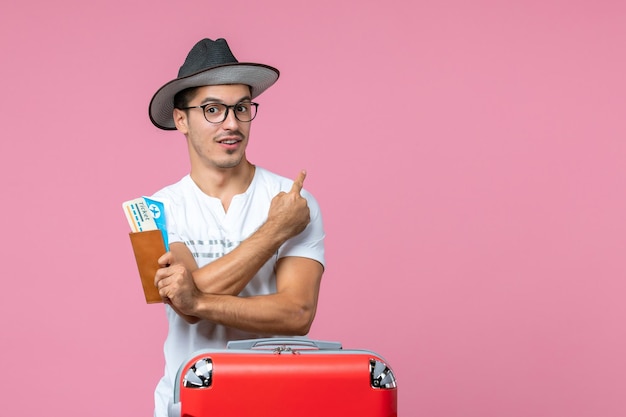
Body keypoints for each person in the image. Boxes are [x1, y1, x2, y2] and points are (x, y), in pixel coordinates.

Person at [146, 38, 325, 416]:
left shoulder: (293, 201)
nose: (231, 123)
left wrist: (198, 298)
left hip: (276, 402)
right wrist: (275, 230)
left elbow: (296, 314)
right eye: (213, 109)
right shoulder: (151, 212)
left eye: (241, 108)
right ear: (181, 119)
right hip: (186, 404)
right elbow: (185, 309)